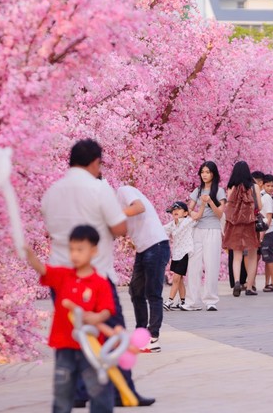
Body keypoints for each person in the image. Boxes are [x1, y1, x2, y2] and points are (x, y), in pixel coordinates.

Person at [41, 139, 154, 407]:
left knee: (72, 334)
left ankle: (78, 393)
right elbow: (119, 228)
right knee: (113, 331)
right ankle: (121, 390)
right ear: (95, 162)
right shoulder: (98, 188)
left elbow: (48, 228)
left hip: (60, 273)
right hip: (95, 273)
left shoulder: (52, 191)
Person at [25, 225, 116, 413]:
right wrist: (30, 256)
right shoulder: (63, 276)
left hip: (90, 346)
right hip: (64, 344)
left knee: (98, 390)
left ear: (93, 251)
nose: (74, 254)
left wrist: (97, 316)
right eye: (72, 249)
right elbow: (43, 270)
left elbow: (107, 309)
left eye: (80, 250)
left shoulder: (100, 282)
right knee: (62, 391)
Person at [116, 185, 170, 353]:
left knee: (153, 293)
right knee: (136, 291)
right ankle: (142, 334)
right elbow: (122, 229)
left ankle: (153, 338)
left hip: (156, 246)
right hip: (144, 249)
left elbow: (139, 207)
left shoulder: (123, 190)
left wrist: (116, 215)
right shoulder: (119, 207)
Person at [182, 161, 227, 311]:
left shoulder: (219, 191)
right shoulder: (197, 190)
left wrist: (210, 202)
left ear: (213, 174)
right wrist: (193, 213)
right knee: (193, 265)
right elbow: (188, 209)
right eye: (203, 172)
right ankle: (192, 301)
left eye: (207, 172)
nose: (205, 175)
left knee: (211, 264)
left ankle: (210, 300)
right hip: (197, 230)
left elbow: (220, 213)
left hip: (213, 230)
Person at [223, 161, 262, 297]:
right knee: (252, 256)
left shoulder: (231, 187)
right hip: (250, 224)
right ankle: (250, 286)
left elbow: (228, 207)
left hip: (235, 225)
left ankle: (238, 281)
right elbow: (260, 206)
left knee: (237, 257)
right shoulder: (254, 187)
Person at [162, 201, 195, 311]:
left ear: (185, 213)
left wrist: (203, 204)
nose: (175, 211)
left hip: (185, 252)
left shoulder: (188, 221)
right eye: (173, 210)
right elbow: (161, 229)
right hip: (176, 253)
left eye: (178, 209)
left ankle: (169, 301)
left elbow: (198, 216)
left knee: (176, 278)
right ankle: (183, 301)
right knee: (179, 279)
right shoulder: (172, 224)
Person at [261, 174, 273, 292]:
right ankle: (267, 283)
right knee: (265, 258)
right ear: (262, 185)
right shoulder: (261, 196)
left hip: (269, 230)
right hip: (262, 230)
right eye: (268, 185)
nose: (270, 188)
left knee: (269, 257)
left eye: (272, 186)